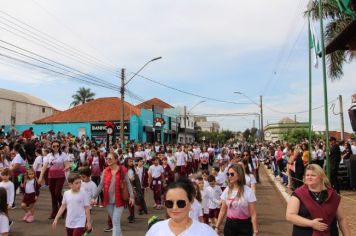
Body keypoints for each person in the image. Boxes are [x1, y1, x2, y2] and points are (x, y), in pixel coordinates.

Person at [286, 164, 350, 236]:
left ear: (321, 177)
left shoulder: (332, 195)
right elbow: (290, 216)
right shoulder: (298, 194)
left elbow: (342, 219)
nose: (309, 177)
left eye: (313, 175)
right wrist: (311, 223)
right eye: (307, 175)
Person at [146, 177, 217, 236]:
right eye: (169, 203)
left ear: (190, 202)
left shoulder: (206, 232)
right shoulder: (155, 229)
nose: (174, 208)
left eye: (180, 203)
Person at [92, 152, 134, 236]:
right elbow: (101, 185)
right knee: (116, 222)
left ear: (116, 159)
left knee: (115, 221)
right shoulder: (105, 171)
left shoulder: (122, 169)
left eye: (110, 158)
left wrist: (132, 196)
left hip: (120, 200)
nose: (108, 160)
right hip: (109, 200)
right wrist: (94, 197)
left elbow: (128, 183)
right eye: (107, 158)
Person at [215, 164, 258, 236]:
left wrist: (255, 231)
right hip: (229, 225)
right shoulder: (227, 190)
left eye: (232, 174)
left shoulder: (248, 191)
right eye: (228, 174)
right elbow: (222, 211)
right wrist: (217, 227)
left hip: (245, 226)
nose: (229, 176)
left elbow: (253, 214)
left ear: (239, 174)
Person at [38, 140, 70, 219]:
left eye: (57, 146)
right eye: (54, 146)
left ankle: (63, 208)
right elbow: (44, 166)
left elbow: (67, 165)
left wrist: (67, 169)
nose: (55, 147)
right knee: (53, 194)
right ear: (51, 147)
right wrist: (40, 176)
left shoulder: (63, 155)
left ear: (59, 147)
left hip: (60, 176)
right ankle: (54, 211)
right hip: (51, 177)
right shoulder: (49, 155)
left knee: (57, 192)